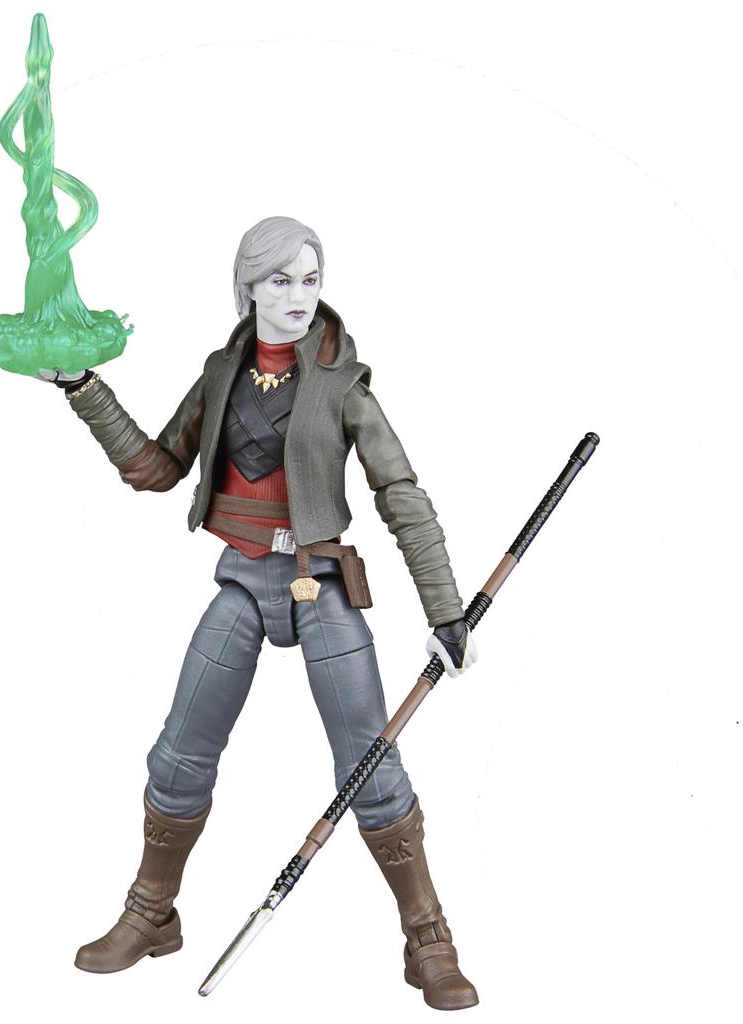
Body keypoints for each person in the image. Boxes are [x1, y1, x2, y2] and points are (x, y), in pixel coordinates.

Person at [40, 216, 479, 1010]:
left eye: (311, 279)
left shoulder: (344, 386)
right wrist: (84, 388)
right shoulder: (220, 376)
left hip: (320, 582)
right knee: (179, 757)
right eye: (280, 280)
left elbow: (401, 495)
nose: (298, 296)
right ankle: (151, 913)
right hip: (243, 581)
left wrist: (446, 611)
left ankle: (428, 937)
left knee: (372, 767)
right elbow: (156, 468)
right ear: (248, 287)